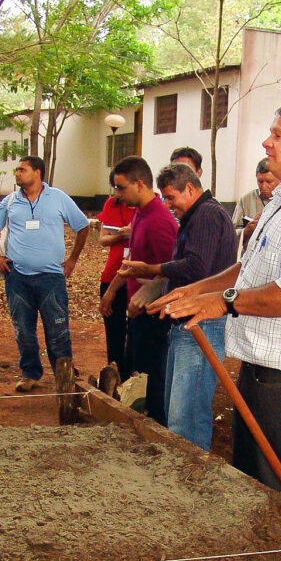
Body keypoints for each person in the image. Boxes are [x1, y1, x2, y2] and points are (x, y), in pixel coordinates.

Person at [150, 101, 281, 516]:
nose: (267, 142)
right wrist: (195, 291)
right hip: (264, 372)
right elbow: (248, 270)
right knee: (256, 490)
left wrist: (219, 303)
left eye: (278, 135)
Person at [118, 163, 237, 450]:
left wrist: (152, 268)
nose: (168, 205)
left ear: (191, 188)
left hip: (202, 323)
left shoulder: (207, 214)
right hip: (189, 322)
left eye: (171, 197)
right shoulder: (197, 216)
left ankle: (191, 481)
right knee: (179, 411)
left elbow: (197, 267)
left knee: (188, 415)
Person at [0, 156, 90, 393]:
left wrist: (73, 259)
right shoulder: (11, 201)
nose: (17, 173)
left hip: (51, 278)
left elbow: (82, 226)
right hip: (18, 279)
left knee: (57, 329)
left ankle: (63, 374)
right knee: (23, 330)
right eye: (17, 170)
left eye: (22, 170)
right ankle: (30, 373)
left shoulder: (58, 198)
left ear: (37, 173)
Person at [99, 156, 177, 424]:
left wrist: (147, 297)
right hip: (136, 312)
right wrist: (112, 291)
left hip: (154, 317)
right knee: (134, 374)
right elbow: (133, 262)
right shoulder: (140, 213)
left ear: (140, 183)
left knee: (150, 379)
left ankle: (155, 430)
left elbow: (172, 273)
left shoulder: (160, 220)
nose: (118, 195)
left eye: (121, 188)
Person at [96, 173, 136, 377]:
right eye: (115, 187)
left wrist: (135, 231)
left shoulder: (152, 206)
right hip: (112, 274)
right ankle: (115, 377)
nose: (117, 192)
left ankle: (135, 383)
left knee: (137, 334)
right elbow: (103, 239)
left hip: (139, 279)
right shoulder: (112, 204)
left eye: (121, 187)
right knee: (114, 331)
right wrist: (122, 234)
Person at [232, 159, 278, 228]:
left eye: (269, 181)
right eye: (260, 181)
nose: (264, 186)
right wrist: (247, 231)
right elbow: (232, 233)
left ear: (279, 180)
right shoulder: (246, 200)